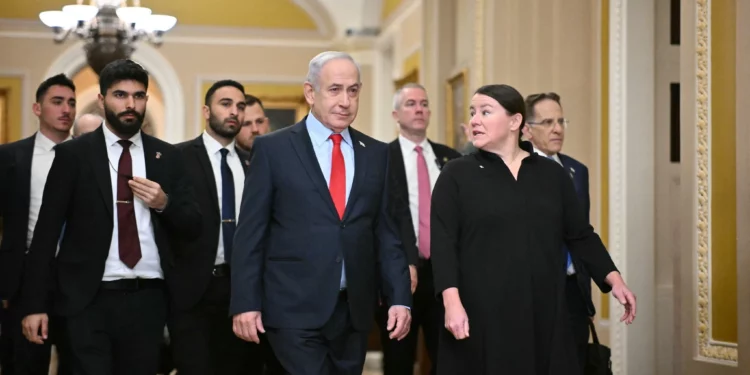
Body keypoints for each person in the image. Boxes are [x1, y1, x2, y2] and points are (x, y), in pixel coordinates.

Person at [430, 84, 636, 375]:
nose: (475, 119)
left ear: (515, 122)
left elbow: (580, 234)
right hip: (481, 314)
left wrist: (614, 280)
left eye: (485, 112)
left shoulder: (552, 175)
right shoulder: (456, 174)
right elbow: (443, 244)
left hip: (544, 312)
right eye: (473, 112)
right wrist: (452, 303)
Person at [230, 51, 412, 375]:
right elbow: (251, 233)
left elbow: (387, 233)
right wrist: (245, 302)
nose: (345, 101)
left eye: (353, 90)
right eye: (335, 89)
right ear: (310, 92)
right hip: (291, 309)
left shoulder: (378, 154)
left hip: (353, 313)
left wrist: (399, 297)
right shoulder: (273, 150)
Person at [18, 59, 201, 375]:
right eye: (120, 95)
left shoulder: (167, 156)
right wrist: (35, 305)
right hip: (88, 298)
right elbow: (46, 233)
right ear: (102, 100)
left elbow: (193, 225)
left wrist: (163, 202)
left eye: (139, 95)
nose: (131, 104)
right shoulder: (73, 155)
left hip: (149, 298)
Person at [170, 79, 281, 375]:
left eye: (240, 106)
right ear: (206, 111)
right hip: (194, 292)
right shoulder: (178, 158)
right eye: (226, 104)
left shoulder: (255, 164)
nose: (234, 111)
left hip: (242, 291)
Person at [379, 83, 461, 375]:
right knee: (399, 356)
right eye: (411, 103)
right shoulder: (381, 158)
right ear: (396, 113)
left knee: (447, 355)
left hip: (444, 272)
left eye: (424, 104)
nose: (419, 109)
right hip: (401, 271)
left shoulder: (450, 158)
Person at [0, 73, 76, 375]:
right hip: (23, 275)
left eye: (71, 102)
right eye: (57, 102)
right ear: (37, 109)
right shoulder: (9, 157)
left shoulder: (88, 157)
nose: (66, 109)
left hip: (76, 276)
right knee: (24, 365)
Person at [523, 92, 596, 370]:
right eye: (548, 122)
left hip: (574, 290)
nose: (557, 128)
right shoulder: (518, 170)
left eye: (561, 121)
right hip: (534, 291)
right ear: (527, 129)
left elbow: (581, 236)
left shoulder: (578, 171)